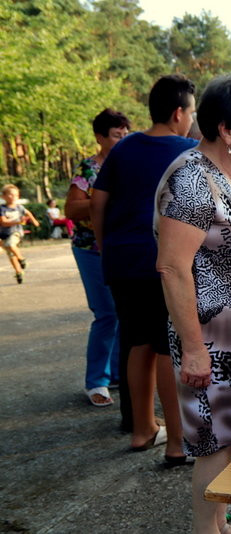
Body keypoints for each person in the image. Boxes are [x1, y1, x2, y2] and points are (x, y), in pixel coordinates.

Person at [156, 74, 231, 534]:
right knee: (214, 444)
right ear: (226, 129)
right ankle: (206, 532)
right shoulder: (190, 180)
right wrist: (193, 348)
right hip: (211, 341)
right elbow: (171, 267)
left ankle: (221, 525)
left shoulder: (229, 173)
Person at [91, 74, 197, 460]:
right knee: (169, 347)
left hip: (121, 258)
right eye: (191, 112)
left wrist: (105, 246)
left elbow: (98, 201)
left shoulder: (124, 147)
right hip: (158, 260)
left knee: (137, 343)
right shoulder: (188, 149)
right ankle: (175, 443)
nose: (191, 119)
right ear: (177, 113)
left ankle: (141, 430)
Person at [65, 108, 130, 408]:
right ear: (100, 137)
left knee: (123, 313)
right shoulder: (89, 169)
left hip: (122, 248)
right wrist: (103, 198)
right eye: (116, 135)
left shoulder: (130, 165)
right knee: (106, 314)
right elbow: (72, 210)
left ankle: (118, 373)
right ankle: (96, 381)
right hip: (91, 249)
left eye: (125, 133)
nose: (123, 139)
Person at [1, 184, 40, 284]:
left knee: (10, 244)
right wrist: (18, 221)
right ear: (3, 196)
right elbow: (3, 222)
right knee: (11, 254)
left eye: (16, 195)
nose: (13, 197)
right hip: (4, 234)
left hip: (16, 232)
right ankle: (18, 272)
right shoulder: (2, 209)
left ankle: (22, 259)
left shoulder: (20, 207)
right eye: (10, 195)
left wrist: (34, 221)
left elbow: (28, 213)